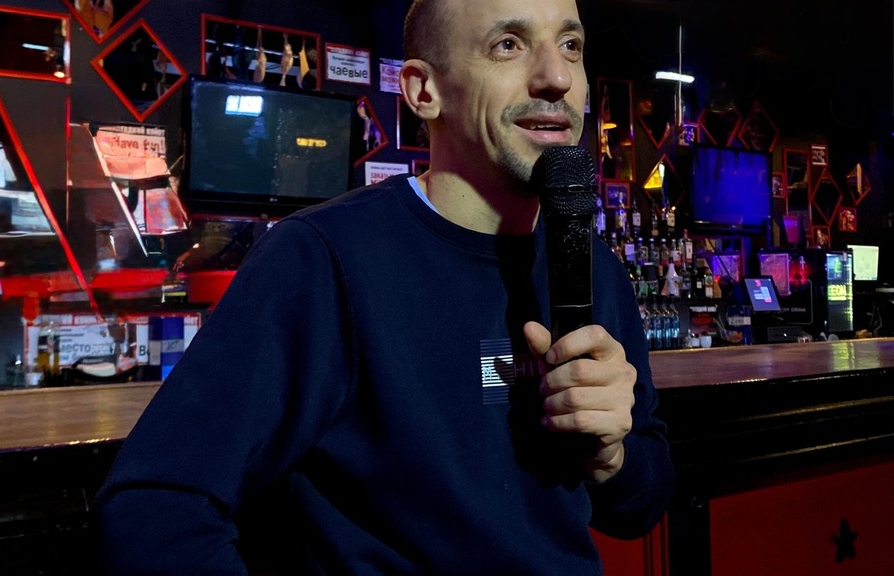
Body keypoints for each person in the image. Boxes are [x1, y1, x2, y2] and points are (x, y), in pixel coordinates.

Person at [96, 0, 673, 573]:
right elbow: (155, 508)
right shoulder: (322, 258)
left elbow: (640, 507)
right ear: (423, 91)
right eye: (508, 45)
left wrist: (610, 456)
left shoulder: (597, 269)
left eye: (570, 45)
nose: (557, 77)